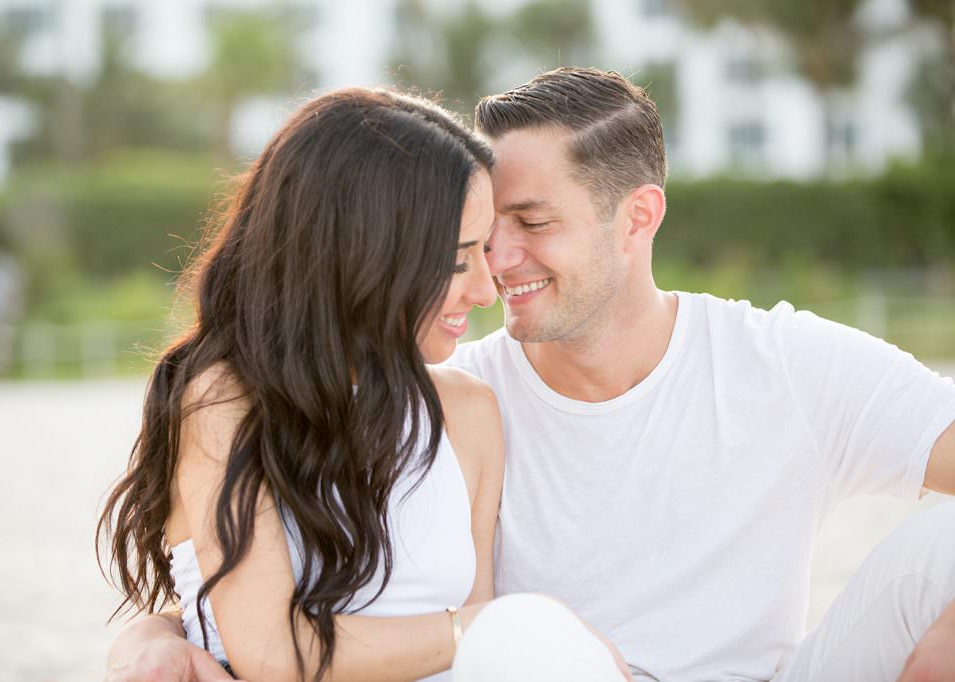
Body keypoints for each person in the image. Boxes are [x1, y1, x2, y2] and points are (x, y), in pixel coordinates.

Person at [107, 68, 955, 682]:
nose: (496, 270)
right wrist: (152, 634)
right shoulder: (458, 389)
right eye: (472, 242)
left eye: (531, 222)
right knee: (525, 644)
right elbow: (272, 584)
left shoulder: (782, 365)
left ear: (638, 217)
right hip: (545, 669)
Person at [97, 87, 631, 682]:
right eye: (456, 260)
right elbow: (272, 653)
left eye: (482, 252)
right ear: (362, 253)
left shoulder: (467, 410)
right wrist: (504, 626)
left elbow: (469, 654)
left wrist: (508, 633)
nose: (485, 289)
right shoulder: (225, 405)